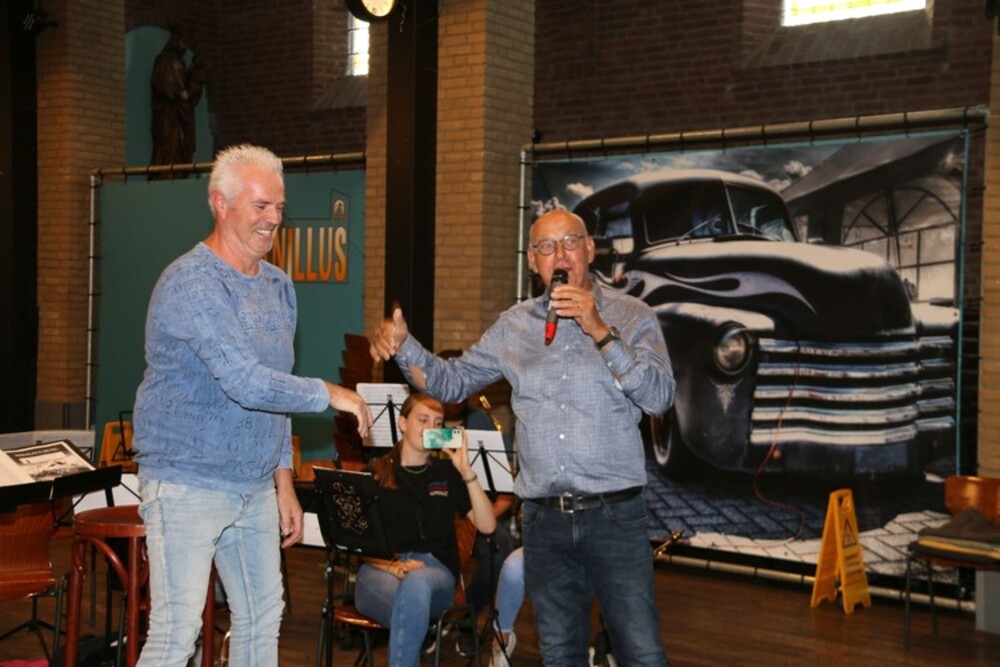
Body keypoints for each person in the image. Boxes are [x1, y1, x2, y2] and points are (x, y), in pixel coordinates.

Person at [370, 208, 676, 666]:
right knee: (559, 651)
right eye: (547, 247)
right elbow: (452, 382)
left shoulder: (633, 316)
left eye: (570, 242)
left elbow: (659, 397)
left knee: (641, 651)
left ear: (590, 250)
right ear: (533, 261)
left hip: (614, 515)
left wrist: (600, 330)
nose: (560, 255)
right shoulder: (515, 325)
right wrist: (403, 344)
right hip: (544, 521)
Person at [132, 143, 373, 666]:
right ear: (220, 204)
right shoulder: (191, 282)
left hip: (254, 486)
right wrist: (329, 392)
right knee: (176, 633)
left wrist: (282, 480)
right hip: (186, 481)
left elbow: (274, 389)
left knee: (263, 620)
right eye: (260, 206)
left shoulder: (280, 286)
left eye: (279, 207)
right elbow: (246, 382)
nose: (273, 219)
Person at [353, 393, 497, 667]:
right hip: (379, 569)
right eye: (423, 420)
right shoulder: (375, 474)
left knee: (416, 587)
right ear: (403, 423)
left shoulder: (448, 472)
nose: (431, 427)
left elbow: (487, 525)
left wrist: (466, 471)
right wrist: (393, 566)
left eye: (438, 423)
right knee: (410, 609)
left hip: (435, 574)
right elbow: (359, 542)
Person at [151, 25, 206, 169]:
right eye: (183, 43)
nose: (185, 48)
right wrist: (179, 92)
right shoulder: (165, 60)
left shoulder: (180, 62)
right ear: (175, 42)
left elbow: (187, 88)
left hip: (181, 114)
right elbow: (164, 84)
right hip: (169, 115)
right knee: (170, 146)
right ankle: (166, 172)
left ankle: (177, 171)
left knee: (182, 147)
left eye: (186, 44)